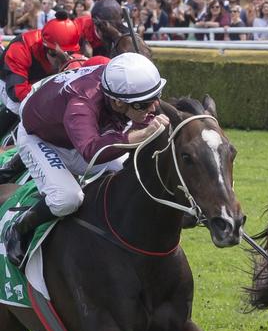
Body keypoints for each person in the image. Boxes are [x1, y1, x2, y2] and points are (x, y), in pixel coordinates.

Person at [3, 53, 168, 267]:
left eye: (157, 96)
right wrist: (139, 136)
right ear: (117, 102)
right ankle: (18, 228)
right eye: (143, 104)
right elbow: (91, 151)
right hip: (42, 138)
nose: (153, 108)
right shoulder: (81, 103)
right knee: (68, 198)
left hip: (71, 131)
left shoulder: (119, 82)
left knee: (127, 170)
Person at [0, 11, 80, 148]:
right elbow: (17, 93)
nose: (63, 61)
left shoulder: (64, 49)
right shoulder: (20, 49)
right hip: (9, 82)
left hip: (38, 82)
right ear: (47, 49)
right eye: (58, 56)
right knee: (18, 106)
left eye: (69, 55)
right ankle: (9, 143)